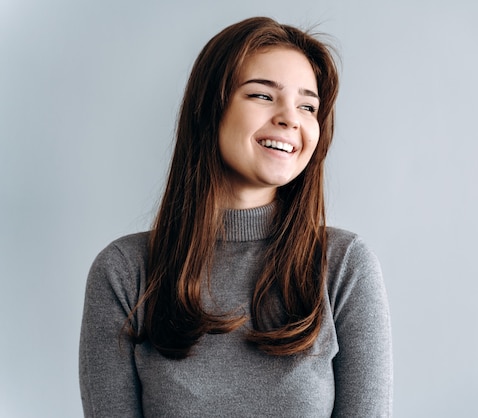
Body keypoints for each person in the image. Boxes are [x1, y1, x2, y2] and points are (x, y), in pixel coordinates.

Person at [79, 16, 392, 417]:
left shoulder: (345, 265)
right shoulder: (124, 272)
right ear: (210, 108)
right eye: (263, 95)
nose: (290, 118)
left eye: (307, 105)